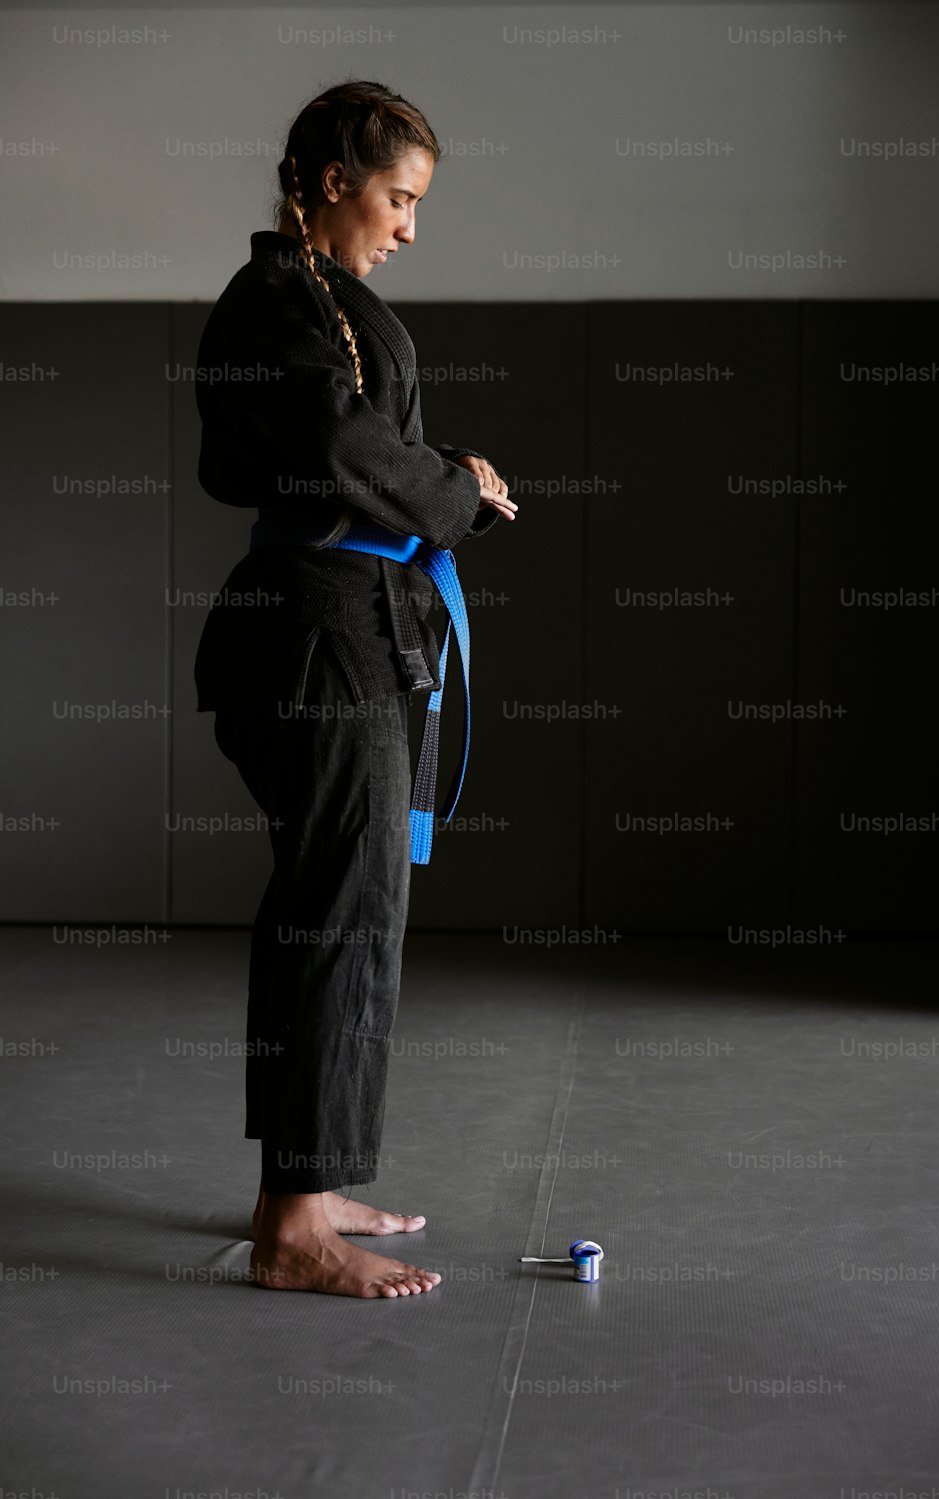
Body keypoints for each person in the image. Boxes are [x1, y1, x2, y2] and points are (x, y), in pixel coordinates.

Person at [192, 79, 517, 1298]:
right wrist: (453, 493)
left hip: (354, 623)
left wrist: (441, 474)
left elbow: (348, 439)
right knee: (336, 902)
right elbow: (335, 451)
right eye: (398, 197)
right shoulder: (273, 298)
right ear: (335, 182)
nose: (409, 226)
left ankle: (314, 1184)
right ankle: (290, 1224)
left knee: (356, 900)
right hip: (315, 633)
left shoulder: (321, 299)